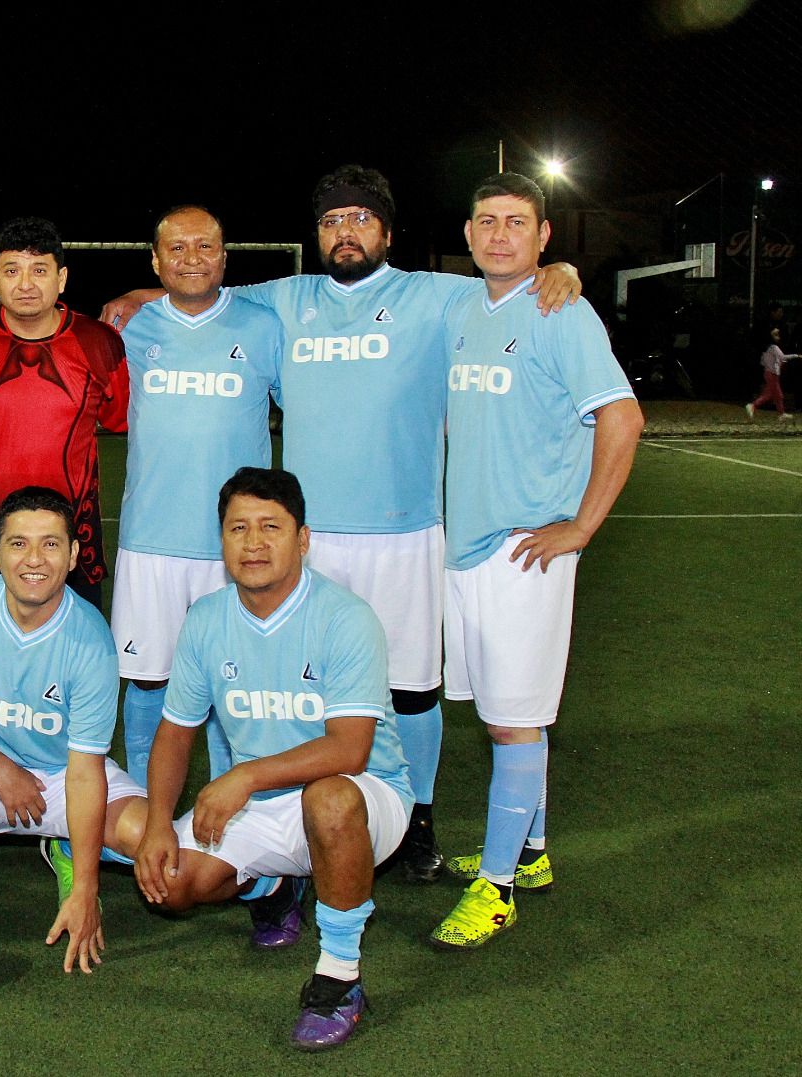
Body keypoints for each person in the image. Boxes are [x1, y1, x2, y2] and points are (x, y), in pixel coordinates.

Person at [102, 167, 582, 887]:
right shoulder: (285, 299)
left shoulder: (433, 295)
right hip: (309, 539)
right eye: (332, 221)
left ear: (386, 229)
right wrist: (133, 297)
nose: (345, 232)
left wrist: (560, 270)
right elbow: (199, 291)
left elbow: (506, 279)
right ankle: (282, 821)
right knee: (300, 687)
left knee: (411, 688)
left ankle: (416, 823)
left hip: (405, 530)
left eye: (360, 218)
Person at [430, 173, 642, 949]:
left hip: (525, 550)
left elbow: (623, 416)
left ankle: (496, 889)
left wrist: (581, 526)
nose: (499, 235)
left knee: (514, 722)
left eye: (516, 222)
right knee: (505, 712)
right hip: (468, 547)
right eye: (486, 221)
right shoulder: (460, 306)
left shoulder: (563, 312)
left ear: (543, 236)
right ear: (467, 232)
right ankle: (532, 850)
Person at [135, 467, 412, 1051]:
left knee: (328, 798)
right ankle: (273, 888)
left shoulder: (345, 617)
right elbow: (176, 732)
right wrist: (158, 822)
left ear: (302, 539)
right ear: (222, 540)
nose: (253, 543)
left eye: (271, 527)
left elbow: (350, 749)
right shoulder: (207, 619)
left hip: (364, 795)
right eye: (238, 528)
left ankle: (339, 975)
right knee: (170, 883)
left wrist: (245, 775)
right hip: (262, 803)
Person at [110, 205, 293, 943]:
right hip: (151, 542)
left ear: (226, 255)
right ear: (154, 262)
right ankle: (145, 831)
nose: (192, 258)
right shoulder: (128, 328)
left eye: (206, 246)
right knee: (148, 686)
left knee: (235, 694)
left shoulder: (263, 326)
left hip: (236, 547)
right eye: (176, 248)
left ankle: (250, 854)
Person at [0, 486, 147, 973]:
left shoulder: (91, 641)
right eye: (18, 543)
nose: (34, 559)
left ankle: (68, 847)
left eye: (51, 544)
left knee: (148, 841)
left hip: (64, 774)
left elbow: (84, 770)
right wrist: (1, 770)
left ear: (74, 555)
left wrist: (86, 887)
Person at [0, 218, 128, 608]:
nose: (25, 284)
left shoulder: (100, 342)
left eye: (39, 270)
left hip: (72, 546)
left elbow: (121, 417)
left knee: (75, 644)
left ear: (62, 278)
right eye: (12, 271)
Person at [745, 327, 796, 420]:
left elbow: (765, 362)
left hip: (771, 374)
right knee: (775, 394)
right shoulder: (773, 347)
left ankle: (781, 413)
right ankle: (753, 405)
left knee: (773, 394)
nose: (778, 337)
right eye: (775, 335)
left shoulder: (768, 349)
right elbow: (783, 357)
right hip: (772, 374)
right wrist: (796, 356)